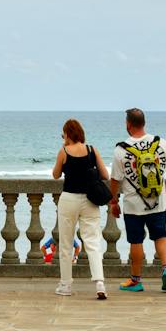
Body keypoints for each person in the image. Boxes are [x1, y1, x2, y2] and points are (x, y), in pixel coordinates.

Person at [110, 107, 166, 293]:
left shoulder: (121, 149)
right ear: (144, 123)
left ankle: (136, 280)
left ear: (128, 124)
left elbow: (115, 179)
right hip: (158, 201)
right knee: (161, 236)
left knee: (136, 241)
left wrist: (114, 201)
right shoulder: (160, 143)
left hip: (133, 205)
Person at [50, 118, 109, 300]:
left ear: (67, 134)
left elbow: (55, 175)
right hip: (90, 200)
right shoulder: (92, 150)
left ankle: (66, 285)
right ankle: (99, 282)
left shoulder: (64, 151)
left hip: (69, 199)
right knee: (92, 241)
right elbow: (105, 174)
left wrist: (64, 151)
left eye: (63, 134)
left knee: (66, 243)